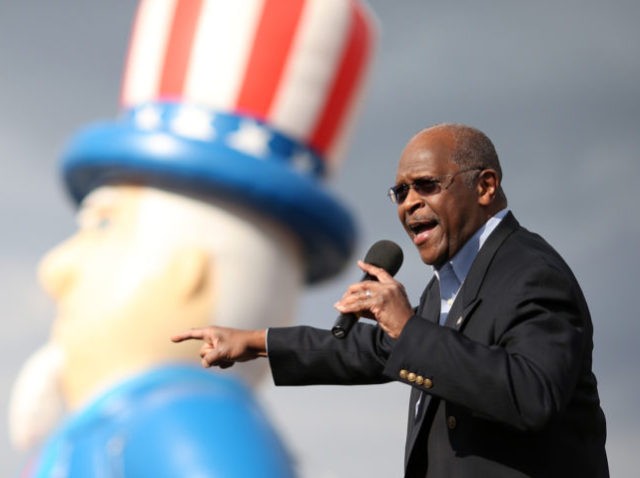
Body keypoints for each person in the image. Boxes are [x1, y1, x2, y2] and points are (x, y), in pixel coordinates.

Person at [173, 123, 610, 478]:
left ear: (485, 187)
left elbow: (531, 395)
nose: (410, 204)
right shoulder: (450, 281)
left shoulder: (531, 273)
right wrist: (254, 341)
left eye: (426, 185)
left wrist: (407, 326)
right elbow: (379, 349)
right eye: (400, 192)